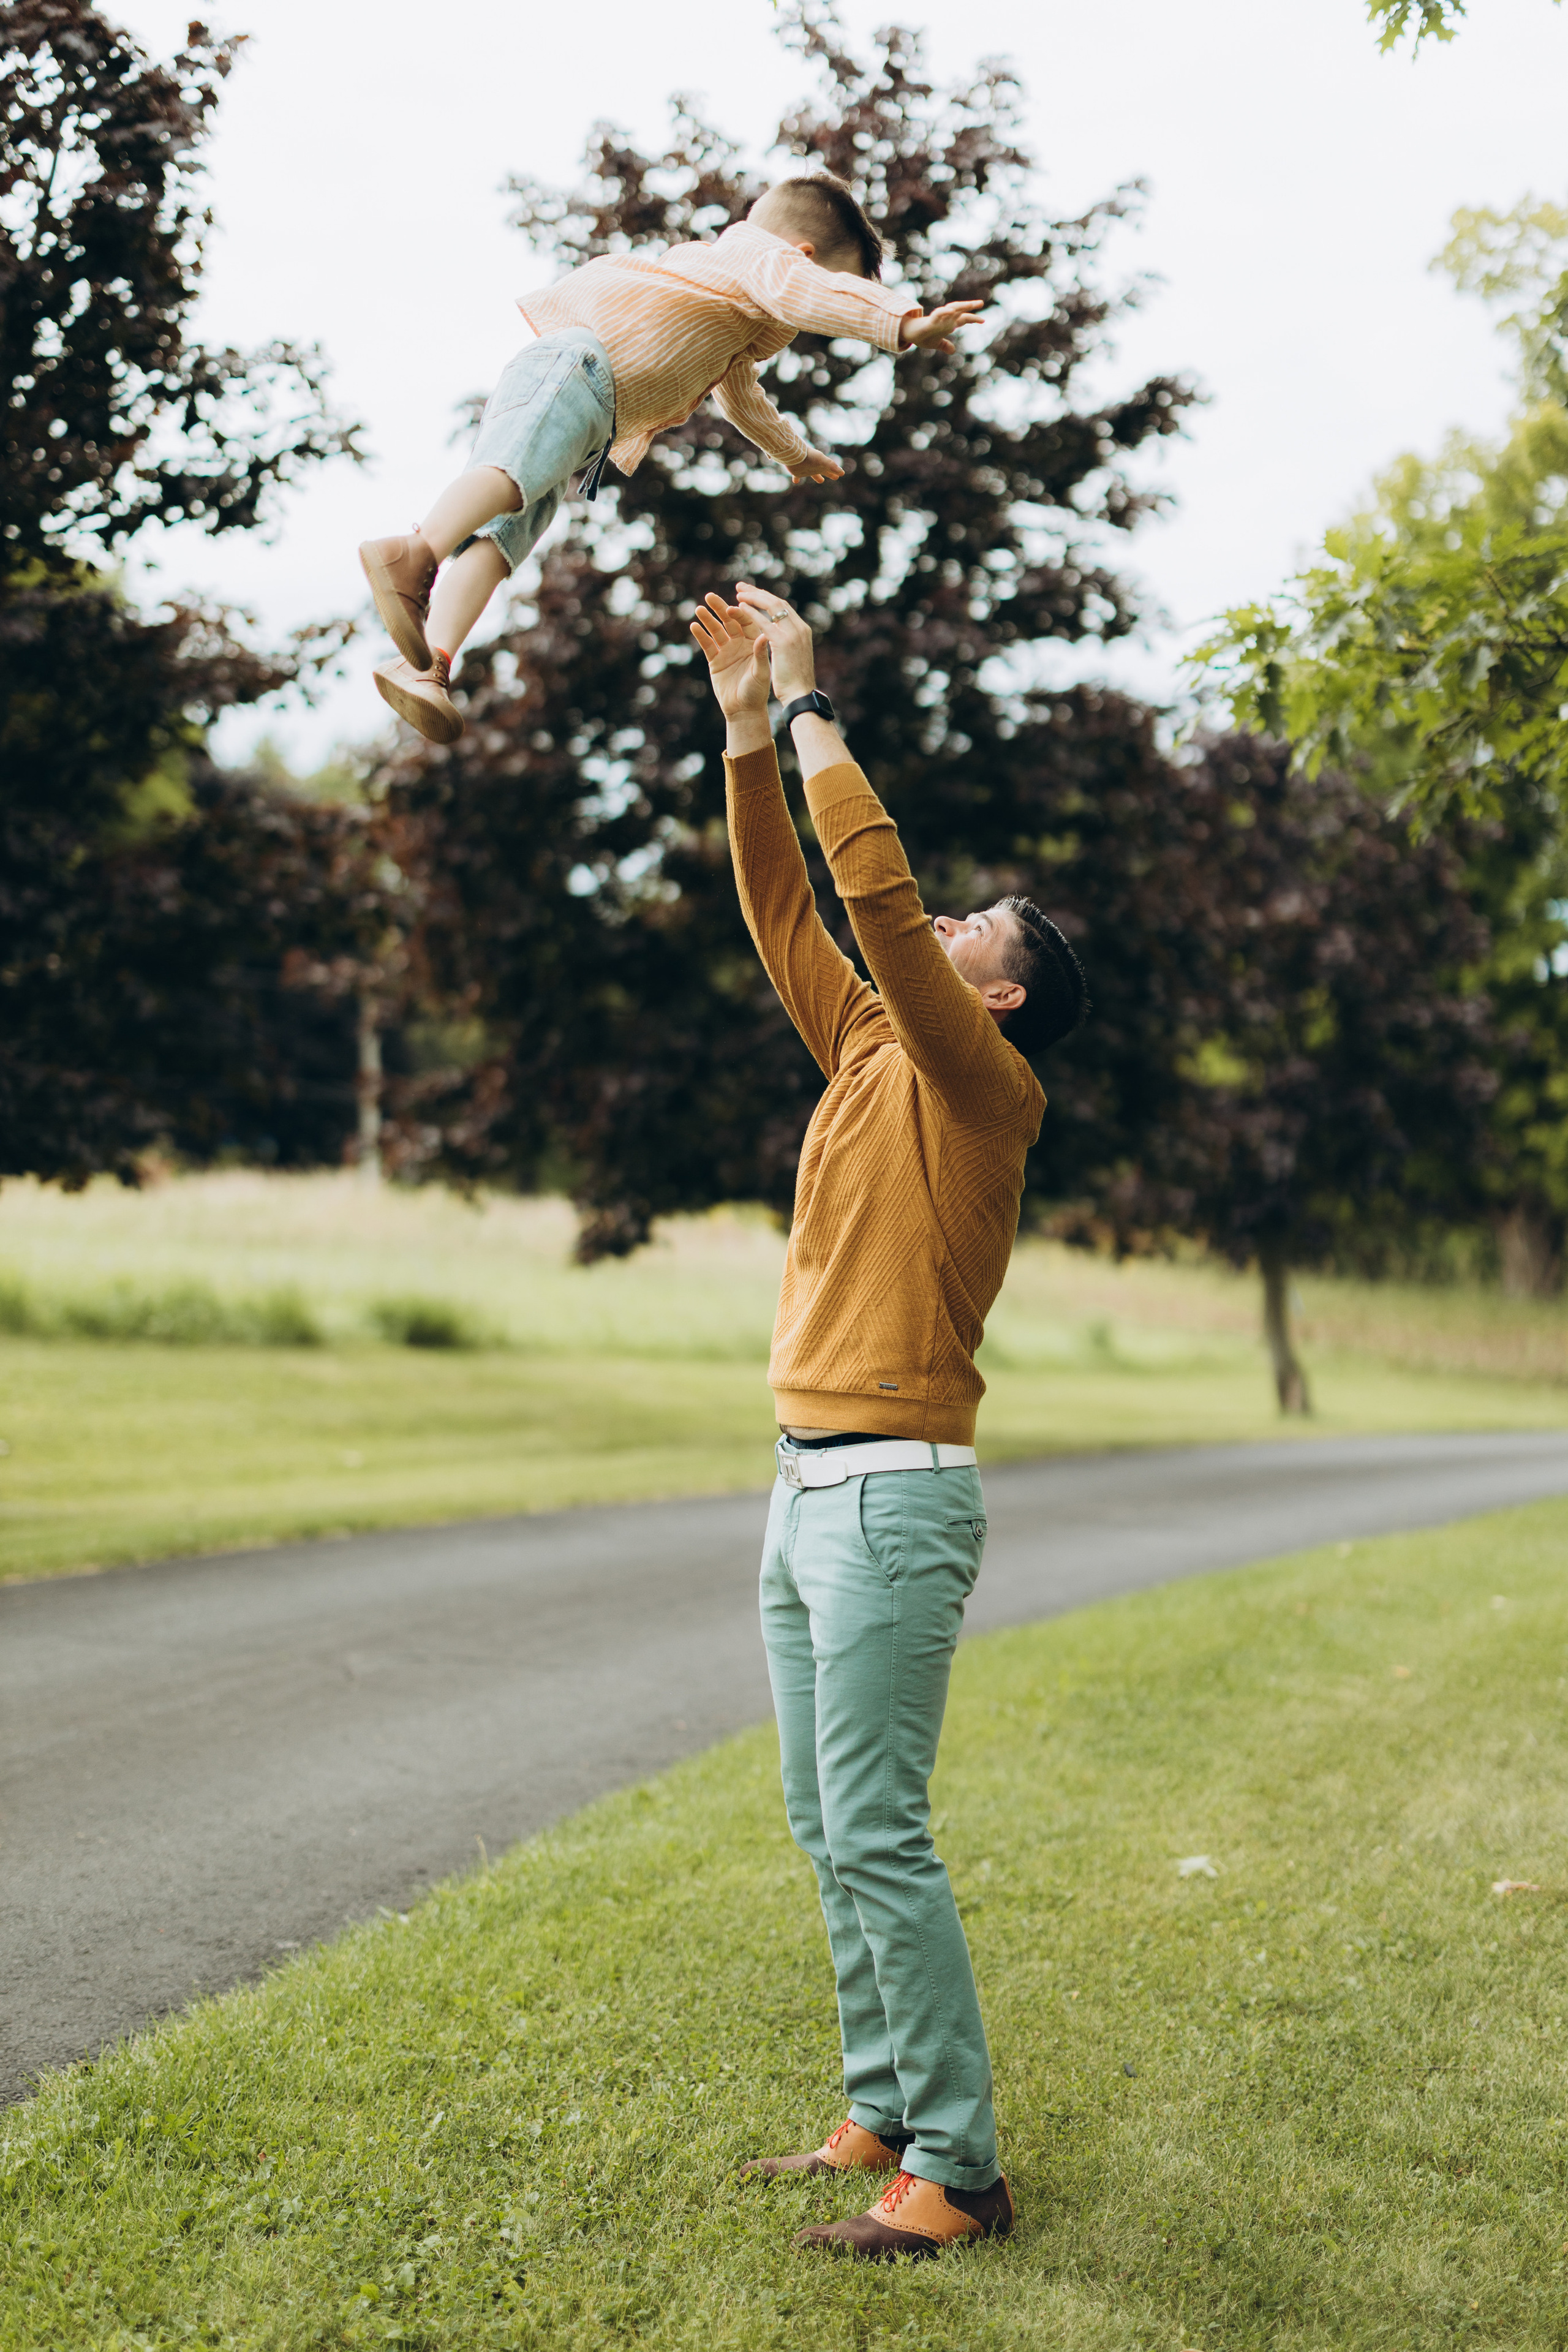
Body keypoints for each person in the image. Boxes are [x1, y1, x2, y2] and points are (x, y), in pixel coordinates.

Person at [688, 585, 1090, 2261]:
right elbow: (792, 898)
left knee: (877, 1825)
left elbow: (875, 891)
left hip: (894, 1499)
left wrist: (810, 705)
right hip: (804, 1488)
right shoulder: (862, 1041)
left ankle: (962, 2169)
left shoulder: (986, 1086)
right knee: (820, 1815)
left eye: (974, 929)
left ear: (992, 994)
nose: (947, 930)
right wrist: (736, 730)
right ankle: (880, 2103)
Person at [358, 173, 983, 745]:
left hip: (589, 407)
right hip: (576, 368)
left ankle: (428, 664)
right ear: (804, 256)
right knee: (507, 481)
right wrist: (901, 325)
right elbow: (802, 294)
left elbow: (741, 397)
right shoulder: (761, 259)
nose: (811, 315)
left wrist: (793, 453)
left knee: (503, 532)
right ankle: (415, 553)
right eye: (827, 287)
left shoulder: (735, 311)